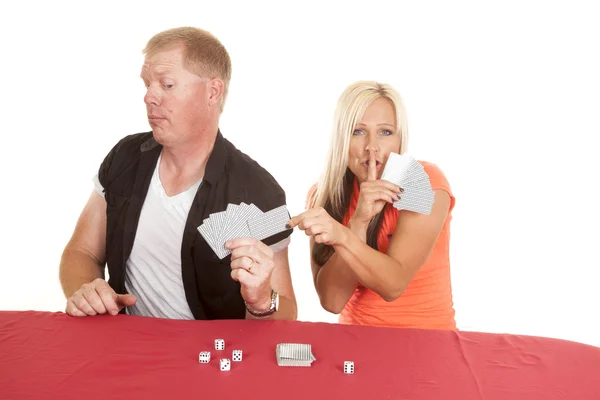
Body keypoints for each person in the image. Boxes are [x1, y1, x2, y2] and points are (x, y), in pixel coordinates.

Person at [59, 27, 297, 321]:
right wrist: (86, 290)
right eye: (147, 85)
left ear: (213, 92)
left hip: (208, 357)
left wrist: (261, 300)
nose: (149, 97)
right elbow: (82, 252)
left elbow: (286, 315)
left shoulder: (258, 191)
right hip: (124, 344)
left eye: (167, 85)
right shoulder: (124, 157)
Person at [288, 81, 456, 330]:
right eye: (358, 131)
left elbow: (393, 285)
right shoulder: (323, 195)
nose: (372, 146)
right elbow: (332, 301)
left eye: (385, 132)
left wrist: (342, 237)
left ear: (400, 140)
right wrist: (358, 222)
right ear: (342, 139)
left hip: (428, 341)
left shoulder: (425, 182)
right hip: (356, 343)